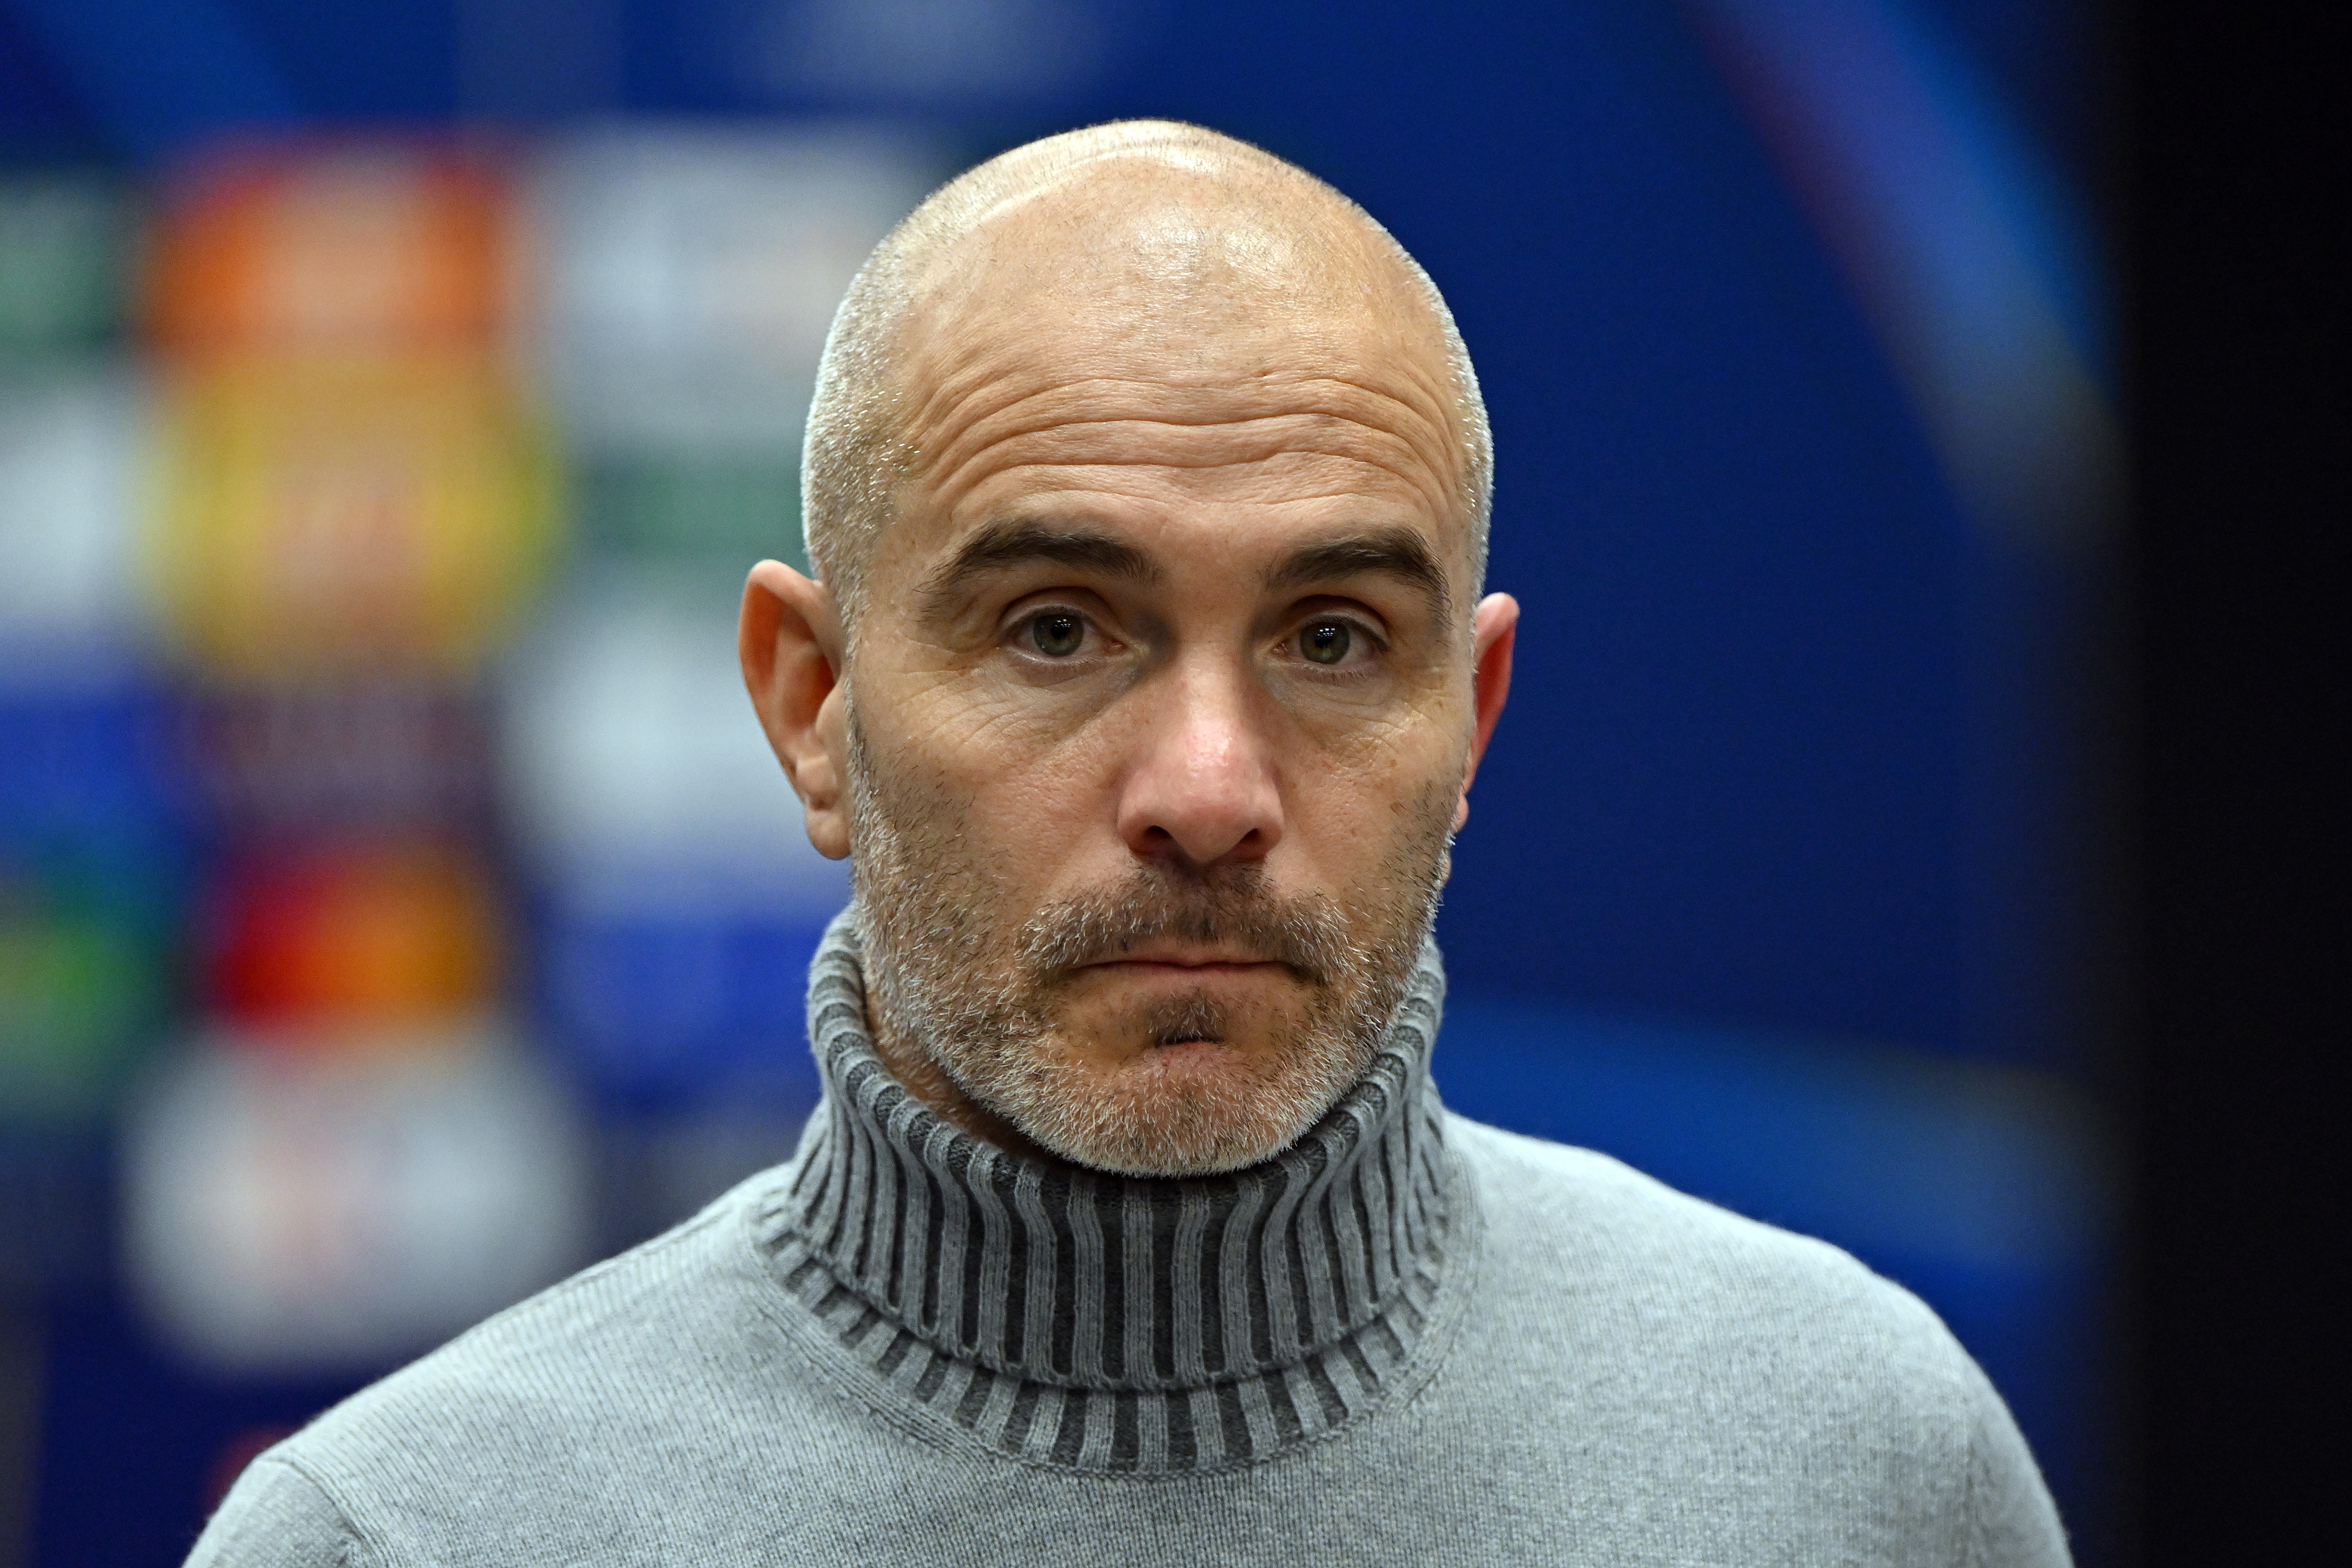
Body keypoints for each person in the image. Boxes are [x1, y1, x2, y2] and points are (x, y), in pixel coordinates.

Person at [191, 121, 2069, 1566]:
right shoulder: (415, 1536)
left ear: (1469, 719)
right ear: (809, 705)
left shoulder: (1847, 1461)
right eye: (1057, 628)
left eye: (1331, 637)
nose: (1205, 785)